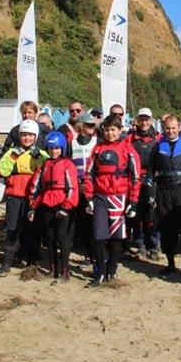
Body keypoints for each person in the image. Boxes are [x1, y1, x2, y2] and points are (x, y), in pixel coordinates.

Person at [83, 115, 142, 287]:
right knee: (99, 235)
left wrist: (134, 201)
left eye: (113, 130)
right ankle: (100, 272)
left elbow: (136, 178)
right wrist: (88, 197)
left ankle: (112, 269)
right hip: (100, 196)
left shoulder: (128, 149)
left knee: (116, 236)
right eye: (107, 130)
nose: (110, 133)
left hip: (119, 197)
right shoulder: (97, 149)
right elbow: (89, 174)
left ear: (120, 130)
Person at [147, 115, 181, 277]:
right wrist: (151, 194)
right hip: (164, 192)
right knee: (166, 230)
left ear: (179, 127)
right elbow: (150, 173)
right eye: (167, 128)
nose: (170, 131)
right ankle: (170, 264)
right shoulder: (157, 146)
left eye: (173, 128)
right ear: (163, 128)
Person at [0, 119, 48, 276]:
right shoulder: (12, 152)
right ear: (19, 136)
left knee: (32, 230)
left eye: (31, 135)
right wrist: (12, 156)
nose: (27, 138)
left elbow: (46, 170)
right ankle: (6, 264)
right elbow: (2, 171)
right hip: (15, 196)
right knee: (13, 229)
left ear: (35, 137)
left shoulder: (41, 154)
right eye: (24, 135)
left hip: (32, 197)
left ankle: (32, 262)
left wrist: (38, 157)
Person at [28, 132, 79, 281]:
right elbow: (36, 186)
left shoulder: (67, 164)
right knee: (50, 239)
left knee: (63, 239)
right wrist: (32, 206)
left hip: (62, 206)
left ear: (62, 148)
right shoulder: (45, 164)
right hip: (47, 205)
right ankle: (53, 269)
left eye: (56, 148)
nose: (53, 151)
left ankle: (65, 271)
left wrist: (66, 207)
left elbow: (72, 188)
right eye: (50, 148)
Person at [124, 108, 162, 259]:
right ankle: (140, 245)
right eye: (141, 119)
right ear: (137, 120)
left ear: (152, 120)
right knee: (137, 214)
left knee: (152, 213)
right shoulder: (129, 139)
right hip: (135, 180)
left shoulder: (159, 138)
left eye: (147, 119)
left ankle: (154, 246)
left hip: (153, 179)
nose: (144, 122)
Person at [70, 113, 100, 264]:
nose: (92, 127)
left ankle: (98, 255)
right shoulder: (72, 144)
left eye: (93, 125)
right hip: (78, 188)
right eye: (89, 125)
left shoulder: (97, 142)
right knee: (84, 224)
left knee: (96, 222)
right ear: (80, 126)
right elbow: (69, 167)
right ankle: (89, 255)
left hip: (94, 188)